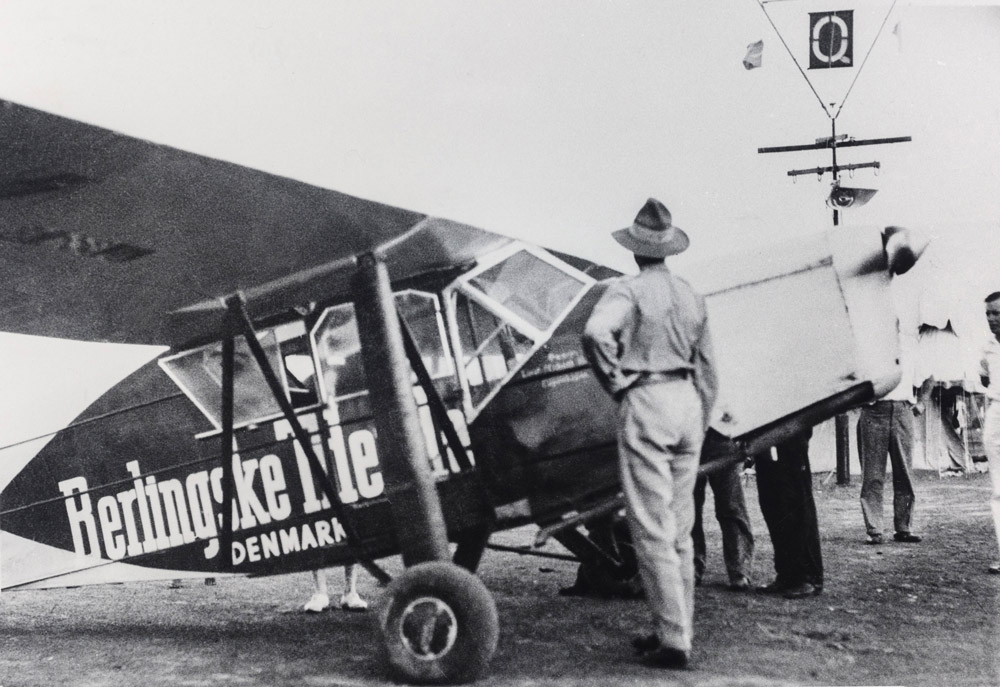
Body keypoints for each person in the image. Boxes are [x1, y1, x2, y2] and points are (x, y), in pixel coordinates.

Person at [582, 198, 718, 670]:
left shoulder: (628, 291)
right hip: (688, 403)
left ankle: (675, 640)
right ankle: (674, 631)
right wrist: (700, 418)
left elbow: (596, 333)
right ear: (669, 249)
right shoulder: (690, 294)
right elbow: (710, 369)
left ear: (635, 250)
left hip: (648, 398)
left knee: (651, 526)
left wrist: (616, 383)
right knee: (680, 529)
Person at [857, 351, 922, 545]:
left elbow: (929, 375)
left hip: (903, 410)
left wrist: (923, 402)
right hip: (874, 412)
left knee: (904, 472)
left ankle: (904, 528)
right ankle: (874, 529)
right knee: (872, 474)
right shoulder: (867, 349)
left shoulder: (910, 345)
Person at [754, 429, 824, 599]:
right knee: (773, 505)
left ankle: (808, 577)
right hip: (765, 438)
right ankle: (786, 574)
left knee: (797, 506)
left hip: (791, 437)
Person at [692, 428, 754, 591]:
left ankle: (740, 570)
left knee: (731, 506)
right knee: (689, 508)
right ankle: (691, 567)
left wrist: (747, 432)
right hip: (689, 435)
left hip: (722, 437)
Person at [979, 291, 1000, 575]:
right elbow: (984, 377)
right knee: (999, 490)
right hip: (996, 412)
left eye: (997, 313)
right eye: (988, 314)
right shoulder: (988, 348)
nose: (992, 319)